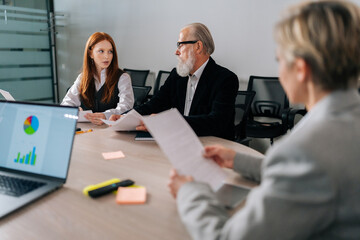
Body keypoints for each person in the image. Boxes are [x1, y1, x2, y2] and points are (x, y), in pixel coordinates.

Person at [168, 1, 360, 239]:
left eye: (279, 60)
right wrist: (239, 161)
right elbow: (306, 173)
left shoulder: (307, 149)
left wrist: (189, 191)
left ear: (300, 69)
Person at [110, 23, 239, 140]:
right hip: (180, 141)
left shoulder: (225, 79)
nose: (176, 51)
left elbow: (216, 122)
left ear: (198, 46)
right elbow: (154, 104)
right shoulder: (177, 75)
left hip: (213, 146)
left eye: (180, 45)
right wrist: (126, 117)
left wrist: (167, 122)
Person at [61, 32, 134, 125]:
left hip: (111, 130)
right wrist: (73, 110)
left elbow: (126, 107)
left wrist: (106, 115)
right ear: (90, 53)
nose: (107, 56)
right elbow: (66, 104)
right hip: (87, 131)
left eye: (110, 51)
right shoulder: (82, 78)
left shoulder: (123, 78)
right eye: (101, 51)